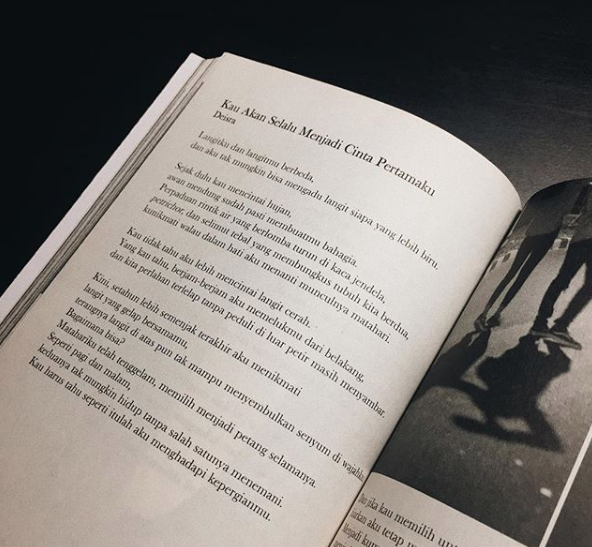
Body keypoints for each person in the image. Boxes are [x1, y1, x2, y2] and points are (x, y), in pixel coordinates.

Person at [474, 183, 579, 331]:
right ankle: (496, 314)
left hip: (532, 234)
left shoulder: (552, 192)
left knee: (511, 274)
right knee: (521, 277)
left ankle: (484, 314)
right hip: (546, 238)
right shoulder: (571, 192)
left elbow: (534, 212)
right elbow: (564, 213)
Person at [531, 182, 591, 349]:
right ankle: (558, 325)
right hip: (587, 240)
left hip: (581, 238)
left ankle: (542, 323)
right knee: (579, 284)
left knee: (564, 279)